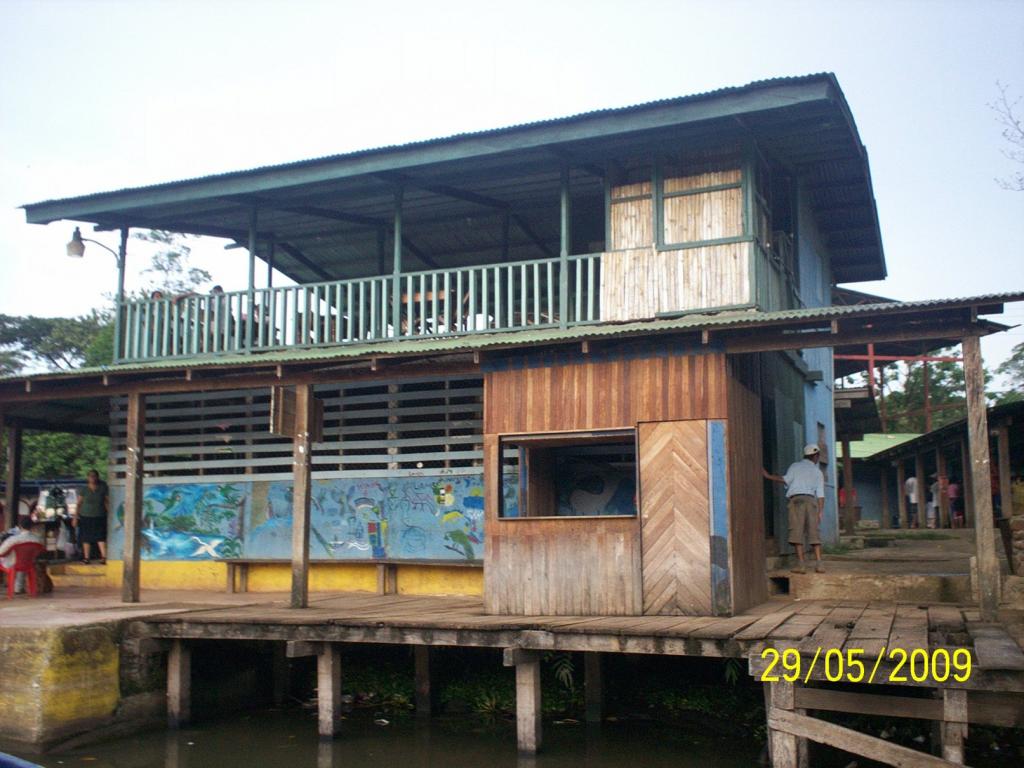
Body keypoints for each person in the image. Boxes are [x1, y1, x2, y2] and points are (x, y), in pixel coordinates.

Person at [763, 444, 826, 574]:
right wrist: (820, 512)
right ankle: (819, 564)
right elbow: (820, 495)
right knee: (814, 532)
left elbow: (784, 479)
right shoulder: (817, 472)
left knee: (796, 532)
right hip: (811, 501)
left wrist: (768, 476)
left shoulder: (795, 466)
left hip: (796, 501)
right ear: (815, 456)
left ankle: (801, 565)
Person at [0, 515, 44, 593]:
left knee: (12, 560)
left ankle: (15, 587)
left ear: (20, 526)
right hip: (29, 563)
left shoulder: (14, 539)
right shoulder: (38, 539)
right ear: (32, 526)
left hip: (12, 564)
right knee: (22, 561)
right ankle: (18, 588)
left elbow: (1, 552)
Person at [75, 469, 109, 564]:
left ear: (97, 477)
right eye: (90, 476)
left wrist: (109, 514)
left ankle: (104, 557)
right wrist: (75, 517)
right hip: (85, 516)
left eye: (94, 476)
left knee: (100, 537)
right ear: (88, 478)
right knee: (86, 538)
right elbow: (79, 504)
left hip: (99, 516)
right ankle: (86, 558)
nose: (92, 478)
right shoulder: (84, 490)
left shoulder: (102, 489)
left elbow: (107, 502)